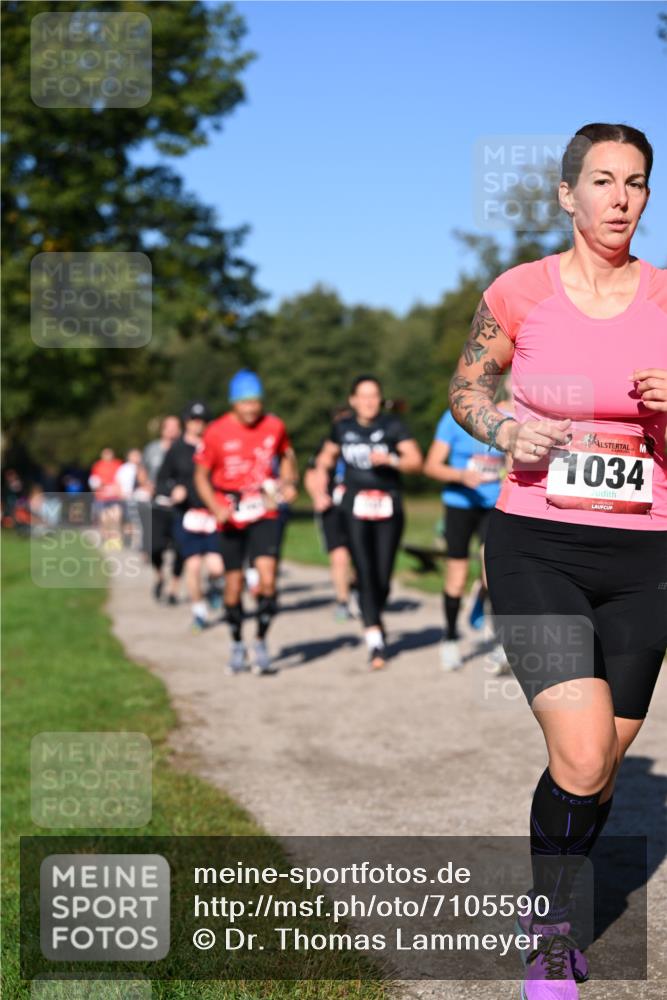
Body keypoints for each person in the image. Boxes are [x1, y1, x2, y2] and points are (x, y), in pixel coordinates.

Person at [448, 123, 667, 999]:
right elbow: (466, 387)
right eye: (604, 181)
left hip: (646, 549)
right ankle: (552, 931)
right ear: (566, 195)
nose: (621, 199)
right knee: (579, 756)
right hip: (536, 537)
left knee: (603, 762)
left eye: (638, 183)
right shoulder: (519, 291)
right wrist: (505, 425)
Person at [313, 376, 423, 669]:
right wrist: (319, 489)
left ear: (380, 398)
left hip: (388, 505)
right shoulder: (342, 427)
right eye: (363, 396)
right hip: (354, 506)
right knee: (363, 569)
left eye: (374, 395)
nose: (369, 401)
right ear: (352, 400)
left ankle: (374, 611)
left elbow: (416, 461)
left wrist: (391, 460)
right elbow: (324, 459)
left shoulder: (393, 426)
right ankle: (374, 639)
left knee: (383, 576)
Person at [193, 370, 298, 674]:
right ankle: (237, 643)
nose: (252, 409)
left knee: (267, 579)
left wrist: (290, 481)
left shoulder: (274, 425)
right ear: (233, 403)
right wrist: (214, 506)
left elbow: (287, 453)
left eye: (256, 402)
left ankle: (261, 642)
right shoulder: (216, 432)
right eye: (245, 403)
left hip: (264, 508)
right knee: (234, 586)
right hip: (230, 512)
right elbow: (200, 475)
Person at [424, 381, 513, 671]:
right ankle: (449, 638)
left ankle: (501, 645)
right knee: (457, 576)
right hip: (459, 505)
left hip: (492, 506)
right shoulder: (451, 419)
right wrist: (461, 476)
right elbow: (431, 465)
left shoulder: (502, 419)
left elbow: (511, 463)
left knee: (494, 575)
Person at [157, 401, 225, 632]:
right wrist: (172, 491)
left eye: (204, 421)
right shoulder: (176, 450)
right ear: (187, 422)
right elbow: (161, 481)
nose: (199, 425)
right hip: (187, 515)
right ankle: (199, 612)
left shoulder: (214, 445)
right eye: (195, 421)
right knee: (193, 566)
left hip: (213, 514)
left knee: (217, 566)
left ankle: (216, 588)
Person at [304, 407, 358, 621]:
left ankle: (356, 589)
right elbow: (311, 472)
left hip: (358, 506)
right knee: (339, 557)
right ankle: (342, 601)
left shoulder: (363, 441)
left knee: (359, 557)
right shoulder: (326, 445)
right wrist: (317, 495)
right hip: (332, 509)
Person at [142, 415, 183, 604]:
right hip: (157, 504)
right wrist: (146, 484)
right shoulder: (152, 449)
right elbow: (142, 469)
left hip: (180, 507)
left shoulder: (185, 448)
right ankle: (159, 575)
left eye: (177, 426)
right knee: (155, 548)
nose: (173, 430)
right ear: (163, 429)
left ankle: (174, 588)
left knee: (180, 549)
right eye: (170, 427)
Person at [88, 447, 123, 548]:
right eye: (105, 454)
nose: (107, 456)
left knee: (115, 518)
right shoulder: (97, 466)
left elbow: (122, 479)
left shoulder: (118, 464)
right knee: (104, 519)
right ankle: (106, 539)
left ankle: (116, 540)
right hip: (101, 497)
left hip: (114, 496)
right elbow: (93, 481)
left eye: (109, 454)